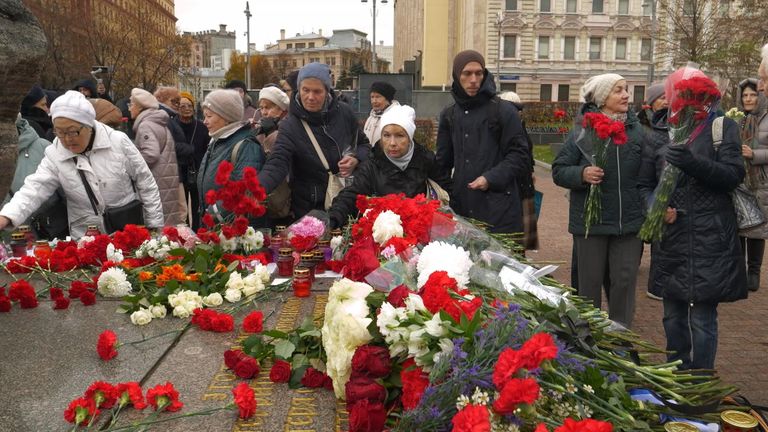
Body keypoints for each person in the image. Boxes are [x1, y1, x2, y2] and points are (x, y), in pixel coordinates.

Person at [638, 66, 746, 370]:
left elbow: (732, 176)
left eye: (694, 94)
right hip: (670, 239)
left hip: (709, 237)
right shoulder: (658, 133)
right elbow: (644, 185)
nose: (687, 99)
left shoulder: (722, 127)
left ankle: (700, 379)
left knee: (702, 318)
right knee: (672, 316)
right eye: (681, 93)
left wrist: (693, 163)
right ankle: (677, 373)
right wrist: (654, 209)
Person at [0, 90, 163, 238]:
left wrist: (153, 228)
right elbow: (34, 188)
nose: (67, 139)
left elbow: (146, 184)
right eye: (60, 132)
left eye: (73, 131)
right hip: (85, 237)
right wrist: (6, 216)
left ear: (89, 125)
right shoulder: (55, 152)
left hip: (126, 231)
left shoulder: (118, 142)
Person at [552, 73, 645, 328]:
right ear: (603, 98)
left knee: (624, 284)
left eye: (626, 89)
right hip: (591, 224)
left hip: (628, 223)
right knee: (588, 286)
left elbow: (649, 174)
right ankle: (590, 341)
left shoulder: (637, 132)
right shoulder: (583, 131)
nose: (626, 95)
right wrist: (582, 174)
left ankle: (620, 340)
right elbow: (559, 169)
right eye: (619, 90)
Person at [258, 62, 371, 220]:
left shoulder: (344, 113)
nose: (310, 97)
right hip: (309, 209)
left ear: (327, 91)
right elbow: (277, 162)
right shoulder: (290, 125)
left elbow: (364, 145)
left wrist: (356, 158)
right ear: (299, 89)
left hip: (346, 202)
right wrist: (255, 189)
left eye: (317, 91)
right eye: (306, 90)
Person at [436, 50, 530, 234]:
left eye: (478, 73)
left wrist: (490, 178)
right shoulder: (449, 114)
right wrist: (448, 193)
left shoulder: (503, 111)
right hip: (462, 206)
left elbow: (520, 154)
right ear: (456, 75)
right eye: (467, 73)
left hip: (500, 209)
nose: (473, 79)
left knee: (502, 262)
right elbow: (442, 162)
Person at [329, 105, 452, 228]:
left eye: (399, 136)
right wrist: (334, 218)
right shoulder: (372, 163)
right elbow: (352, 194)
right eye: (386, 135)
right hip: (384, 231)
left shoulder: (425, 159)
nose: (392, 143)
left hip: (419, 229)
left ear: (409, 138)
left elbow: (447, 187)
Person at [197, 89, 265, 222]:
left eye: (209, 116)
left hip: (230, 230)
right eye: (204, 116)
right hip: (216, 228)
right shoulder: (217, 141)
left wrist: (213, 216)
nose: (204, 121)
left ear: (226, 117)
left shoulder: (246, 146)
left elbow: (243, 191)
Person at [129, 88, 181, 226]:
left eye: (131, 104)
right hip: (165, 180)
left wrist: (130, 161)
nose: (129, 108)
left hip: (157, 181)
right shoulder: (157, 122)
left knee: (159, 228)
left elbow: (151, 154)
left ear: (140, 107)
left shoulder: (146, 125)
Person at [736, 78, 768, 292]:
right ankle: (738, 271)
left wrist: (754, 154)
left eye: (753, 95)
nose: (748, 98)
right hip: (738, 179)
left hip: (761, 180)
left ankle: (753, 272)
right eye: (745, 95)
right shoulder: (737, 118)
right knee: (738, 224)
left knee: (757, 226)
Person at [638, 82, 669, 301]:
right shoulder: (641, 124)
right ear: (651, 102)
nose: (666, 100)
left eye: (669, 96)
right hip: (645, 181)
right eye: (661, 97)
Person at [499, 91, 538, 250]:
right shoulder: (510, 128)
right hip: (513, 186)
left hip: (522, 184)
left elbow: (527, 154)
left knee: (521, 232)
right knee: (515, 232)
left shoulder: (518, 128)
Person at [154, 86, 194, 225]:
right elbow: (169, 144)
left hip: (174, 170)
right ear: (162, 100)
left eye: (178, 101)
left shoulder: (168, 116)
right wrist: (189, 148)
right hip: (171, 172)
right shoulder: (164, 117)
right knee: (180, 211)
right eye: (174, 101)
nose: (177, 105)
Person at [176, 91, 209, 230]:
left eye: (189, 105)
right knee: (182, 208)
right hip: (179, 172)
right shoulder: (173, 126)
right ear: (177, 108)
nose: (187, 108)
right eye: (183, 106)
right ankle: (184, 233)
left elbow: (207, 147)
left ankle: (196, 232)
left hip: (197, 170)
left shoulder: (201, 127)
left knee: (197, 205)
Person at [363, 81, 400, 146]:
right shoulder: (371, 117)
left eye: (378, 97)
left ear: (388, 100)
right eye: (372, 97)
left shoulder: (396, 118)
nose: (374, 101)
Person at [255, 86, 290, 154]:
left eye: (268, 108)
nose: (264, 112)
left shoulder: (288, 130)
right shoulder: (261, 130)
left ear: (281, 109)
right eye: (261, 108)